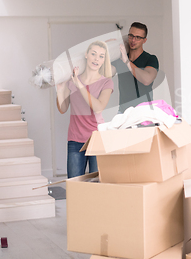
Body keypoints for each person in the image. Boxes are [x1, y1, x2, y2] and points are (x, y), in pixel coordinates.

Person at [56, 40, 114, 178]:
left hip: (96, 138)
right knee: (75, 185)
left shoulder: (106, 82)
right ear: (87, 55)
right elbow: (63, 109)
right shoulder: (72, 80)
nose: (96, 59)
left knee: (96, 187)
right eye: (93, 54)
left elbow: (98, 107)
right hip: (75, 139)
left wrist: (80, 85)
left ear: (104, 60)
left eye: (101, 56)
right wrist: (60, 90)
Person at [112, 22, 159, 113]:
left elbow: (146, 80)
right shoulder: (120, 59)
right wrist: (108, 47)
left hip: (144, 112)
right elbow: (107, 74)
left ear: (144, 40)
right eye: (131, 36)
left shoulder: (151, 59)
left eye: (138, 37)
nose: (133, 40)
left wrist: (127, 61)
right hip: (123, 112)